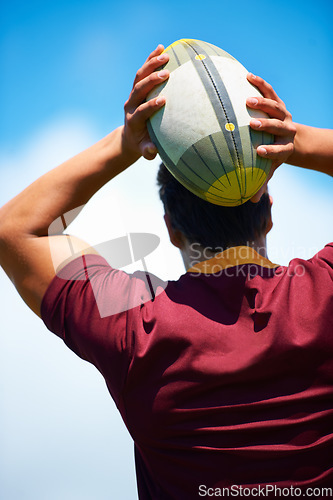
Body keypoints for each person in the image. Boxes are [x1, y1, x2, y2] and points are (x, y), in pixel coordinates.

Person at [0, 44, 332, 498]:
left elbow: (16, 231)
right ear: (268, 211)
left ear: (170, 226)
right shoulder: (323, 293)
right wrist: (294, 139)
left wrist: (125, 144)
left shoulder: (134, 326)